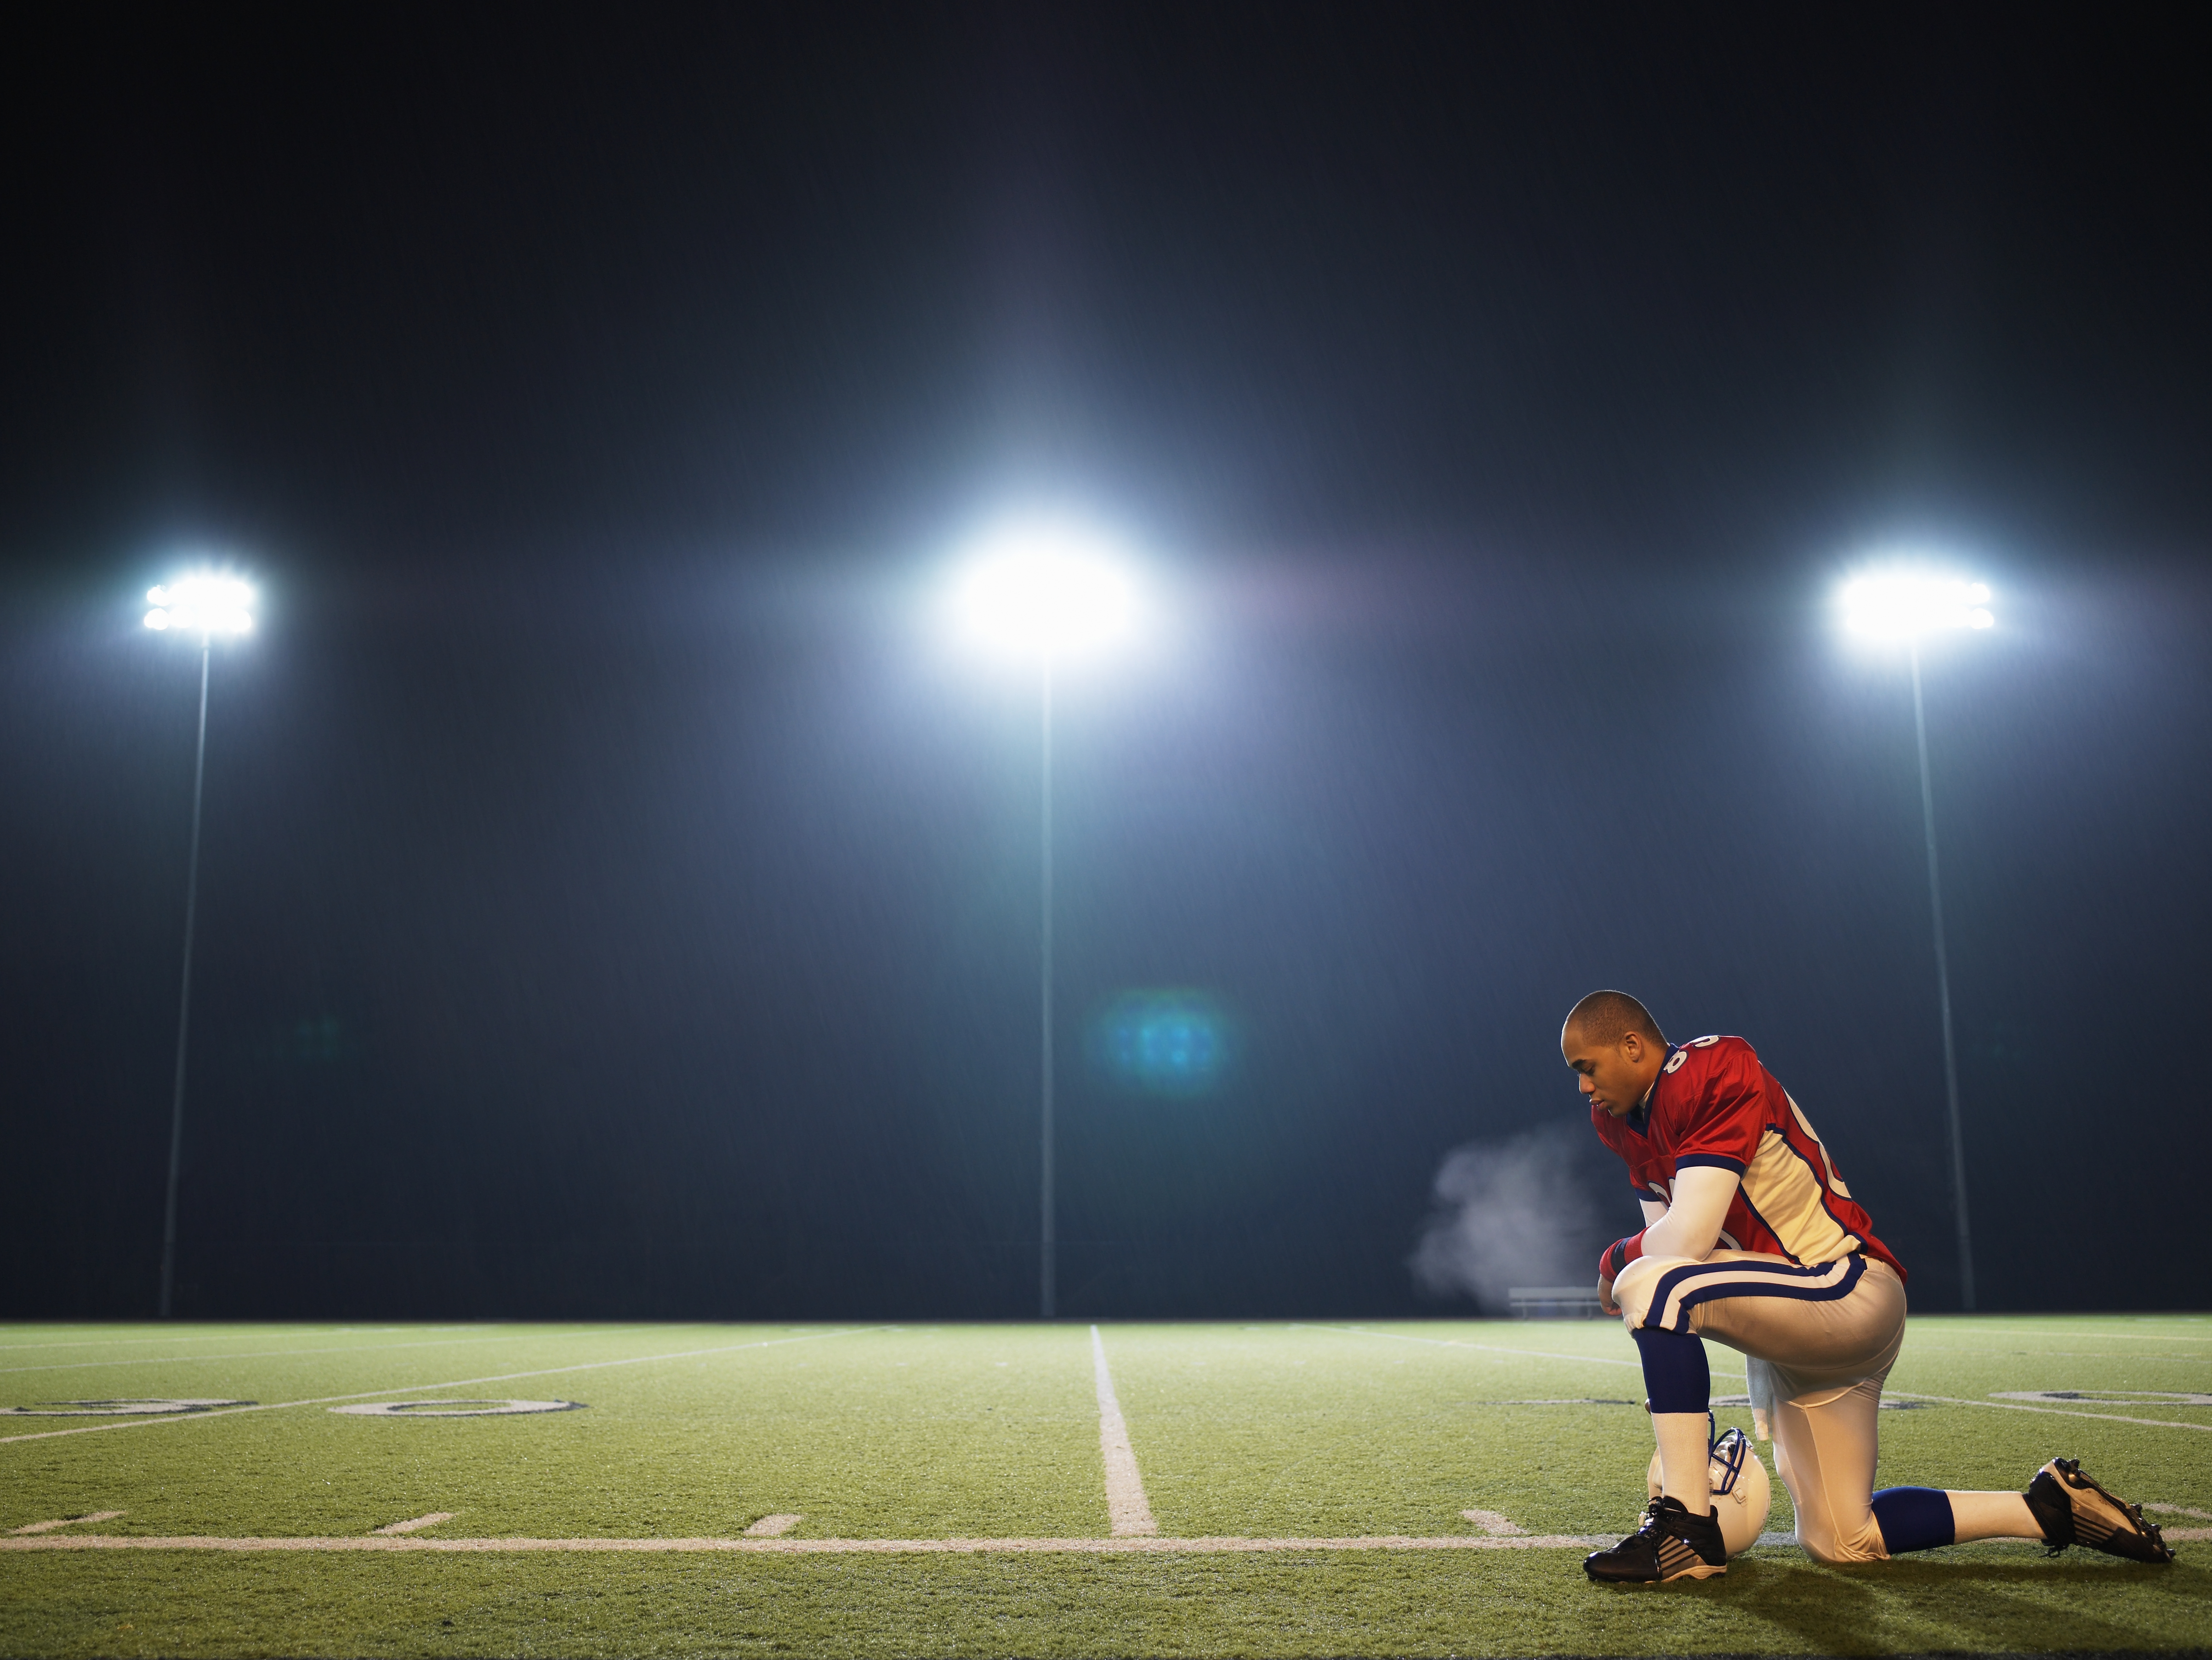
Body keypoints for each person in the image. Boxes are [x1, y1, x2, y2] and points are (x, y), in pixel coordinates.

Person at [1561, 989, 2175, 1583]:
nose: (1583, 1086)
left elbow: (1685, 1240)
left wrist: (1615, 1261)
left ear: (1634, 1045)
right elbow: (1666, 1239)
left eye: (1587, 1067)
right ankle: (2047, 1508)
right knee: (1839, 1539)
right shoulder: (1620, 1122)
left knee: (1652, 1284)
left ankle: (1684, 1530)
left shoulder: (1709, 1068)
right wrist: (1630, 1270)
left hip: (1841, 1285)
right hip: (1798, 1325)